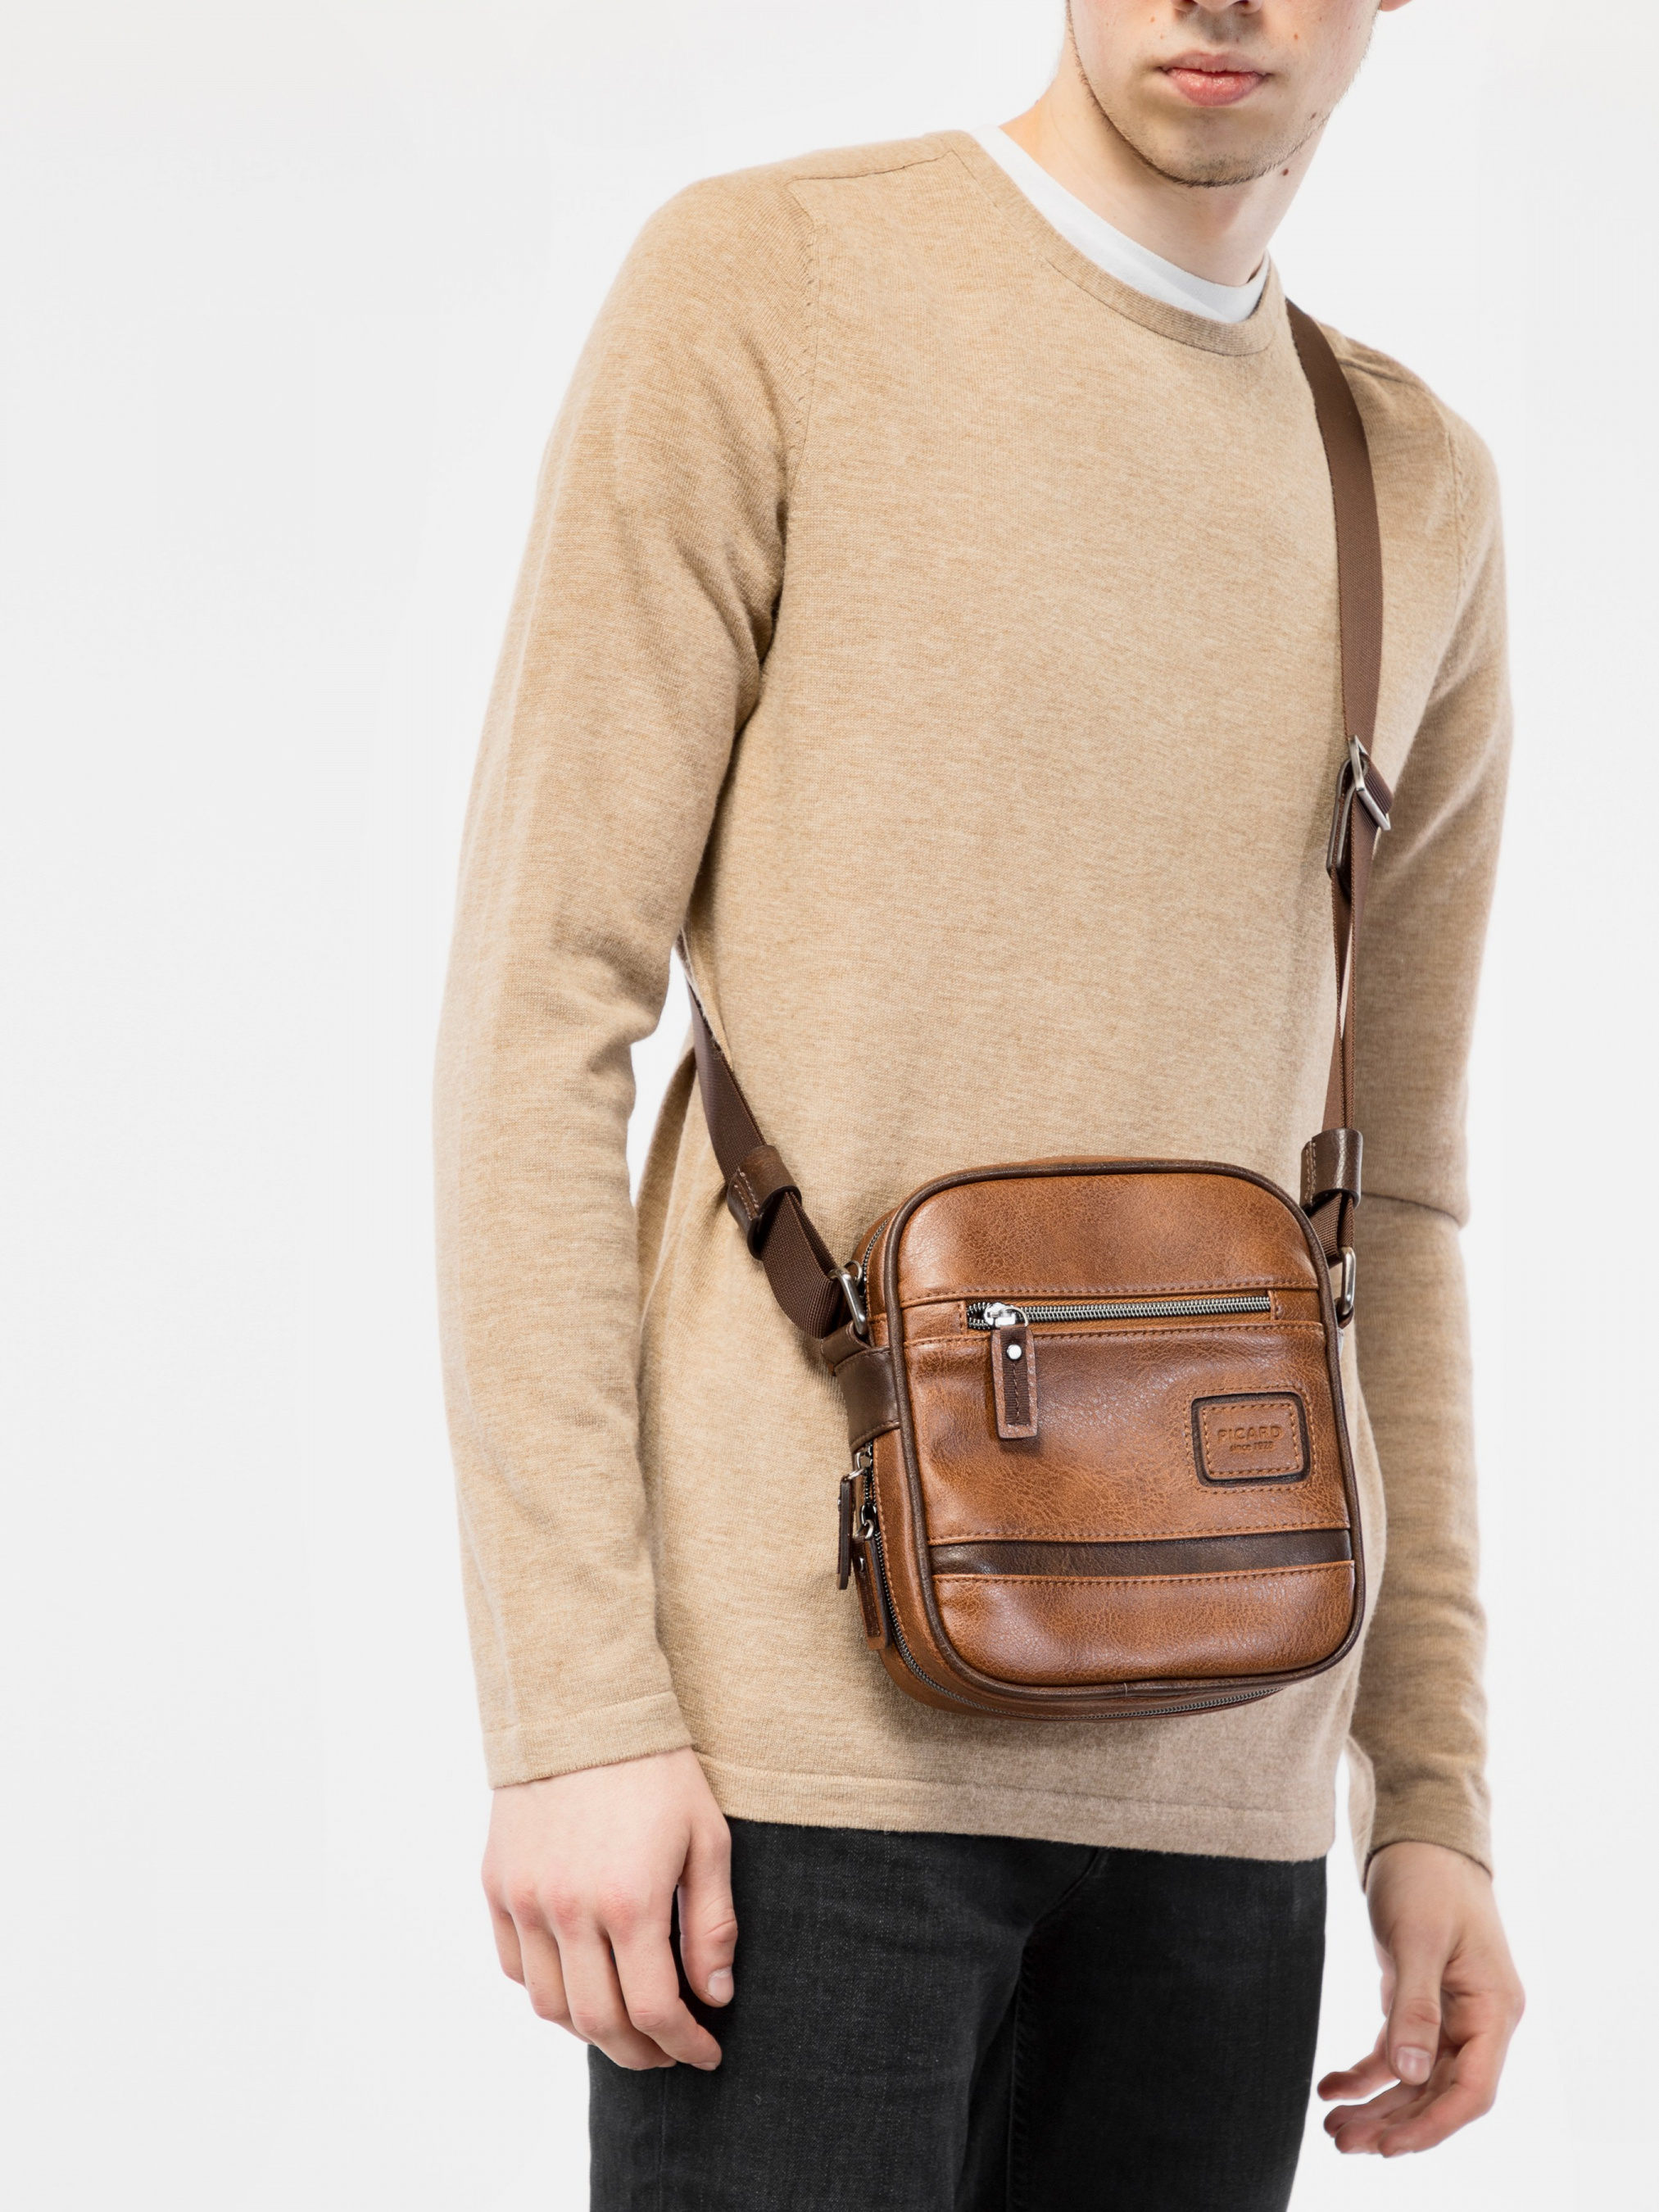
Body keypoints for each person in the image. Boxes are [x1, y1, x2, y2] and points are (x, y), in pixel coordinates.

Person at [434, 2, 1525, 2203]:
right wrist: (577, 1711)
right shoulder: (766, 290)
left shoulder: (1410, 479)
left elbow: (1391, 1201)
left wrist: (1430, 1797)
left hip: (1228, 1775)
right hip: (786, 1773)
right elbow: (539, 1015)